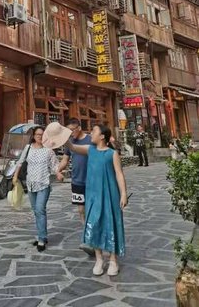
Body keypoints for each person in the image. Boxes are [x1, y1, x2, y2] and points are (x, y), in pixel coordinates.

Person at [67, 124, 128, 276]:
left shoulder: (112, 154)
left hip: (110, 193)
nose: (90, 133)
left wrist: (123, 193)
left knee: (110, 223)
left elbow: (119, 174)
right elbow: (73, 148)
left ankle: (113, 260)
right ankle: (99, 259)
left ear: (102, 136)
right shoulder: (90, 149)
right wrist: (61, 136)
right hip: (93, 194)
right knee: (93, 224)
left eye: (94, 131)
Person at [13, 122, 70, 252]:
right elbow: (20, 162)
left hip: (43, 183)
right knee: (36, 211)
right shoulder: (28, 148)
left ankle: (41, 238)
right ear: (33, 136)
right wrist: (15, 176)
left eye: (42, 134)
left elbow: (54, 165)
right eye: (37, 134)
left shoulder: (48, 150)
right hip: (31, 184)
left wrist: (58, 173)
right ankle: (41, 236)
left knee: (40, 210)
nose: (39, 136)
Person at [57, 118, 94, 256]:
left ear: (78, 128)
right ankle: (87, 235)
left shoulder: (91, 140)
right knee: (81, 210)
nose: (70, 133)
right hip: (77, 181)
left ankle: (92, 238)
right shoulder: (70, 142)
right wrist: (58, 171)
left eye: (71, 130)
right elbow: (65, 159)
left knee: (92, 209)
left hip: (91, 181)